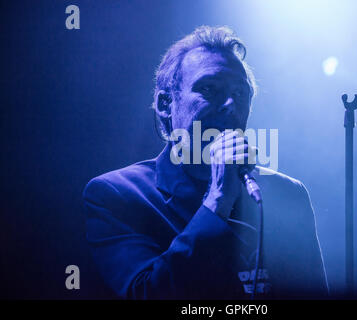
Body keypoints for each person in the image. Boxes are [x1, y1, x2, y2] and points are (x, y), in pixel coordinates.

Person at [83, 25, 328, 299]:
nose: (230, 105)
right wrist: (218, 199)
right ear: (166, 104)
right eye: (210, 89)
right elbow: (146, 294)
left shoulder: (287, 194)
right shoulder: (119, 195)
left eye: (241, 93)